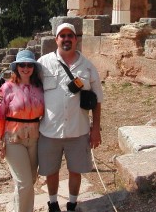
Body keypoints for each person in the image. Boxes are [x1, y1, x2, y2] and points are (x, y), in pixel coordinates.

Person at [39, 23, 103, 212]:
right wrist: (1, 92)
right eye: (62, 36)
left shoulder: (88, 66)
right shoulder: (43, 63)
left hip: (78, 129)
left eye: (70, 36)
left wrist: (96, 129)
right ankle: (52, 203)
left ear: (76, 39)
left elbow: (98, 100)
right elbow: (25, 85)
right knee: (51, 170)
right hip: (50, 130)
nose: (66, 39)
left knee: (75, 170)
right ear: (56, 39)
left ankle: (72, 204)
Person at [0, 50, 44, 212]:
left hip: (34, 137)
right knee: (24, 183)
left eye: (29, 64)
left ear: (33, 67)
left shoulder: (40, 88)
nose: (25, 68)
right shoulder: (6, 88)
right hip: (13, 137)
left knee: (29, 180)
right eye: (22, 64)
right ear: (16, 67)